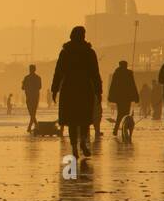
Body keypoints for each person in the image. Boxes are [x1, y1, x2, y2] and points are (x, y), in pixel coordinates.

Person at [50, 26, 102, 160]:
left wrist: (55, 89)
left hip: (69, 89)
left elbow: (58, 72)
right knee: (84, 119)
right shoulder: (89, 52)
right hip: (84, 88)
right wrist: (98, 91)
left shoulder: (65, 52)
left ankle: (74, 146)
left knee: (72, 120)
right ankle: (83, 143)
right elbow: (95, 73)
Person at [107, 60, 139, 135]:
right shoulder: (129, 73)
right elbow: (132, 85)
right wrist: (136, 96)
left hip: (119, 98)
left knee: (120, 113)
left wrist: (111, 96)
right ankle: (122, 129)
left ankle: (118, 129)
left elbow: (113, 86)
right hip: (127, 97)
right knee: (125, 114)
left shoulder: (116, 74)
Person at [22, 64, 42, 133]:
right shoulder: (38, 78)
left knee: (31, 112)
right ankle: (35, 125)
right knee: (33, 112)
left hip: (29, 97)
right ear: (35, 69)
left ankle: (31, 126)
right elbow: (40, 87)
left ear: (29, 69)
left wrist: (25, 85)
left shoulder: (26, 78)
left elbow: (22, 88)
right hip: (36, 97)